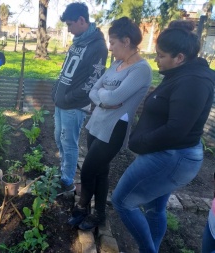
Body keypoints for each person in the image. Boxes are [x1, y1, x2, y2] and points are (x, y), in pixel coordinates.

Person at [111, 20, 215, 253]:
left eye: (160, 55)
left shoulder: (193, 81)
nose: (156, 59)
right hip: (170, 154)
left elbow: (175, 129)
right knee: (155, 208)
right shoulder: (183, 74)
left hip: (172, 157)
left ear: (179, 57)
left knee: (121, 201)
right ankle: (153, 248)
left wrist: (138, 143)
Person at [67, 17, 152, 230]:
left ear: (126, 41)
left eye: (113, 43)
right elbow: (93, 91)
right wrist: (106, 97)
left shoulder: (141, 69)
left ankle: (83, 206)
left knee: (88, 169)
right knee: (100, 171)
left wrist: (104, 97)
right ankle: (98, 214)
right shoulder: (116, 64)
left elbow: (112, 99)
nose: (110, 48)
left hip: (115, 127)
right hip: (96, 123)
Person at [51, 2, 108, 195]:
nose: (68, 29)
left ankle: (67, 181)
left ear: (81, 20)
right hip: (61, 102)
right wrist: (56, 91)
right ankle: (63, 172)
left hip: (73, 106)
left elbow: (93, 79)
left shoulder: (97, 46)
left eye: (70, 24)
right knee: (59, 138)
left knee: (69, 143)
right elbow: (67, 69)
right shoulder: (79, 41)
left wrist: (68, 97)